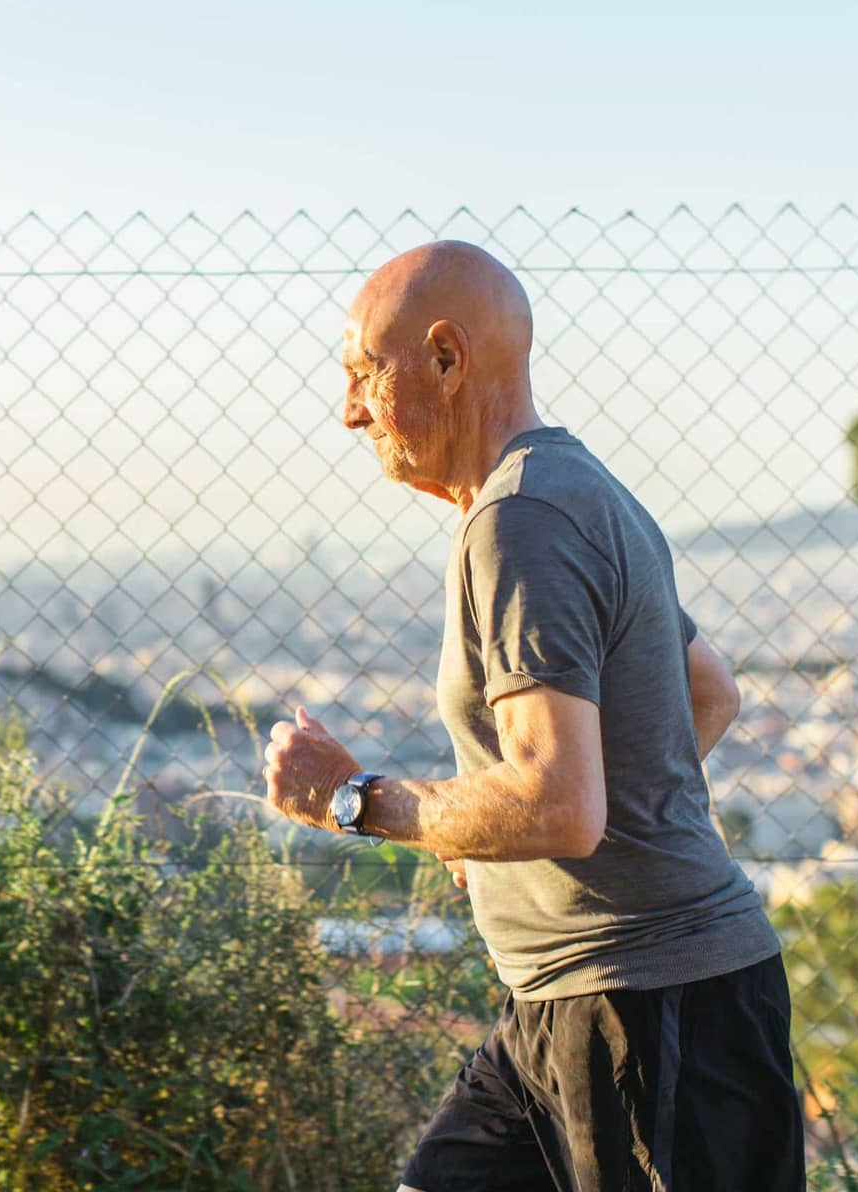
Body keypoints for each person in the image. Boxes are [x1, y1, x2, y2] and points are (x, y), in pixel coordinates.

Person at [261, 241, 805, 1191]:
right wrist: (490, 831)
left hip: (647, 1006)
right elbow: (706, 693)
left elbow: (559, 805)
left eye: (362, 375)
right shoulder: (577, 487)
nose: (348, 412)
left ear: (445, 357)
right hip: (571, 1007)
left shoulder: (520, 522)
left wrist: (352, 800)